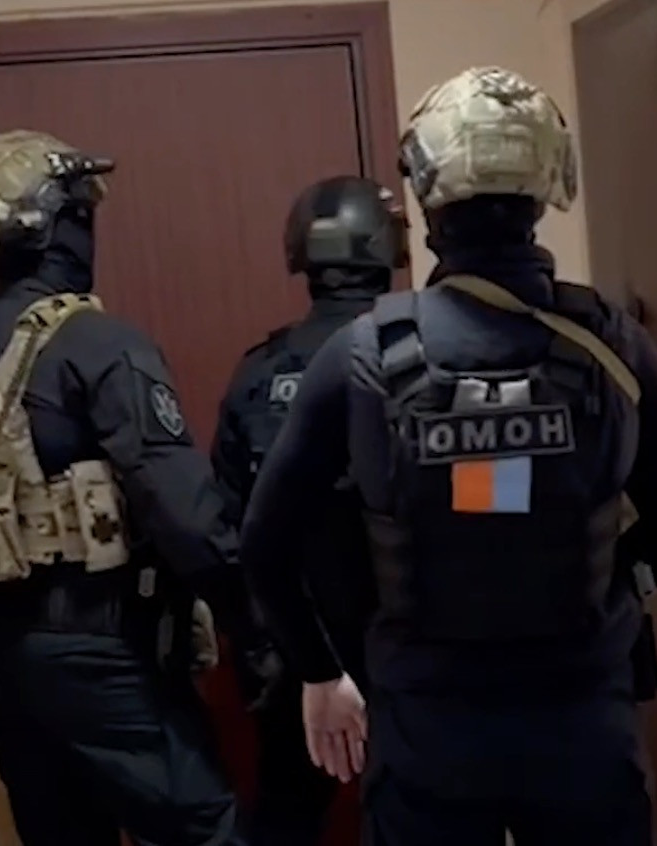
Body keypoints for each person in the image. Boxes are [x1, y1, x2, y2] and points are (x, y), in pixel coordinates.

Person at [238, 68, 657, 846]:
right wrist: (598, 579)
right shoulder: (615, 344)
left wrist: (321, 672)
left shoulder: (362, 354)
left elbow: (264, 542)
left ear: (427, 195)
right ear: (546, 188)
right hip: (581, 720)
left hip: (429, 730)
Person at [0, 129, 280, 846]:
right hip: (102, 651)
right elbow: (187, 517)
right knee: (206, 832)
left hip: (0, 655)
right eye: (80, 209)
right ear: (52, 222)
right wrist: (258, 633)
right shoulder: (97, 345)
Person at [210, 175, 407, 845]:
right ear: (386, 249)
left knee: (286, 819)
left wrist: (267, 653)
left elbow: (230, 528)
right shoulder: (423, 358)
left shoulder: (257, 375)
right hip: (411, 649)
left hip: (300, 653)